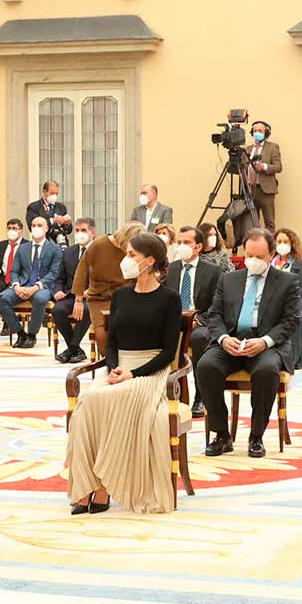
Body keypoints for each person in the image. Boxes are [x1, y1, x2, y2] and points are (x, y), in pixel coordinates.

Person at [66, 233, 182, 515]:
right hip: (118, 368)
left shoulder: (170, 299)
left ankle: (105, 486)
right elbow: (113, 342)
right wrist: (115, 366)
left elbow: (168, 353)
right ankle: (85, 486)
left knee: (113, 396)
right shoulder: (120, 296)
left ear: (150, 260)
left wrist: (133, 374)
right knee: (88, 401)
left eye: (132, 255)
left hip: (149, 372)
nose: (126, 261)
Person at [198, 228, 301, 459]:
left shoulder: (287, 281)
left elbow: (291, 320)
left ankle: (256, 436)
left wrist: (265, 342)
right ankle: (222, 434)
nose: (253, 261)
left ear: (272, 254)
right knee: (206, 366)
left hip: (266, 345)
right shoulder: (229, 279)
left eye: (259, 257)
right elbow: (214, 315)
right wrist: (224, 339)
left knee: (267, 371)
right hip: (231, 342)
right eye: (249, 255)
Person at [165, 225, 222, 417]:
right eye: (179, 242)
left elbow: (217, 305)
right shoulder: (170, 270)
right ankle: (165, 393)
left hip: (199, 323)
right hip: (172, 323)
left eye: (186, 243)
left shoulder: (213, 271)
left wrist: (199, 319)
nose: (182, 246)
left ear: (198, 247)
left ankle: (201, 396)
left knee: (200, 338)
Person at [71, 221, 144, 357]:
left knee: (128, 332)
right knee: (102, 337)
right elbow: (82, 268)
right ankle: (109, 364)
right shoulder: (99, 244)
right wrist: (78, 299)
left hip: (124, 295)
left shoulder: (133, 251)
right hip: (99, 297)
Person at [0, 216, 63, 349]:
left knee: (40, 298)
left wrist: (36, 287)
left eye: (39, 225)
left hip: (43, 286)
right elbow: (14, 271)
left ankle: (32, 335)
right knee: (1, 299)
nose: (36, 228)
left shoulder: (55, 249)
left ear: (46, 229)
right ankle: (21, 333)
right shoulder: (23, 248)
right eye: (33, 225)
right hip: (22, 284)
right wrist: (16, 286)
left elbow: (54, 273)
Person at [52, 218, 95, 364]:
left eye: (83, 230)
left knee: (87, 310)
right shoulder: (69, 252)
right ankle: (76, 349)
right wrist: (57, 290)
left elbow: (103, 278)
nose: (79, 233)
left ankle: (71, 349)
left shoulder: (98, 251)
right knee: (58, 310)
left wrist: (90, 291)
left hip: (91, 296)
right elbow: (60, 278)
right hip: (71, 294)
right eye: (77, 230)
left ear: (92, 233)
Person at [272, 228, 302, 371]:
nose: (282, 244)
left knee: (296, 319)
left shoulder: (299, 264)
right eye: (279, 241)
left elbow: (300, 289)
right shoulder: (270, 262)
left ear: (292, 244)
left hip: (291, 303)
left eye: (285, 241)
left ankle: (293, 359)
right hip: (270, 303)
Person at [245, 121, 282, 229]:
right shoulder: (248, 149)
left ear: (266, 133)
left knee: (269, 222)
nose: (257, 133)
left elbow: (278, 167)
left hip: (266, 190)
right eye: (255, 131)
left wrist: (264, 166)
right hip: (251, 190)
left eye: (260, 131)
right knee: (252, 222)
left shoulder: (273, 147)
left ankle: (269, 245)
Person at [0, 218, 29, 295]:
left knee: (6, 295)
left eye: (14, 228)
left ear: (21, 231)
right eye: (9, 228)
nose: (11, 230)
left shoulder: (27, 245)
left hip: (19, 278)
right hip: (3, 278)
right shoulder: (2, 245)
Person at [26, 180, 73, 246]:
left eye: (56, 194)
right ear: (44, 192)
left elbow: (69, 231)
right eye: (52, 193)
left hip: (60, 243)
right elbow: (31, 227)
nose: (54, 196)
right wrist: (53, 220)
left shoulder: (61, 207)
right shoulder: (34, 207)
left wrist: (67, 224)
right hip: (43, 244)